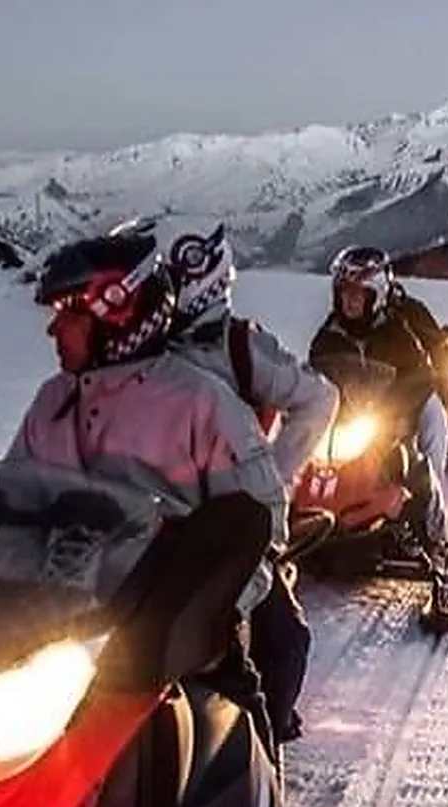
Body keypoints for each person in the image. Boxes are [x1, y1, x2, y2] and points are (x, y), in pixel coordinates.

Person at [5, 232, 289, 744]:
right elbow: (13, 509)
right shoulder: (50, 403)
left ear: (118, 312)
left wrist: (206, 613)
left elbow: (260, 527)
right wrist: (16, 601)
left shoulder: (202, 404)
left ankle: (260, 794)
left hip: (174, 642)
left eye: (69, 313)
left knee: (234, 746)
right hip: (58, 639)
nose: (53, 328)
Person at [123, 217, 338, 747]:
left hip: (227, 521)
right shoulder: (138, 347)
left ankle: (265, 750)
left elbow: (318, 397)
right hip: (148, 516)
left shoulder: (241, 345)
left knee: (282, 640)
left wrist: (272, 482)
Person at [308, 245, 448, 606]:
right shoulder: (327, 336)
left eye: (358, 296)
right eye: (344, 295)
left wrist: (398, 409)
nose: (350, 303)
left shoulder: (397, 330)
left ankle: (433, 531)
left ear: (375, 296)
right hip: (349, 419)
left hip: (391, 416)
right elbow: (315, 374)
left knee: (431, 425)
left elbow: (420, 376)